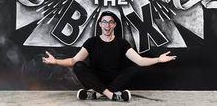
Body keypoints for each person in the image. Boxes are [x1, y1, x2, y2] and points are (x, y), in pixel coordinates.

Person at [42, 11, 177, 102]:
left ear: (114, 25)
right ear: (100, 24)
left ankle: (97, 94)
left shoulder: (121, 43)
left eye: (110, 22)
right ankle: (111, 96)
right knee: (78, 66)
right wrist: (55, 61)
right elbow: (73, 60)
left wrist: (159, 59)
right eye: (104, 22)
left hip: (114, 80)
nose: (107, 25)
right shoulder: (92, 42)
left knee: (133, 69)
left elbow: (140, 61)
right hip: (95, 80)